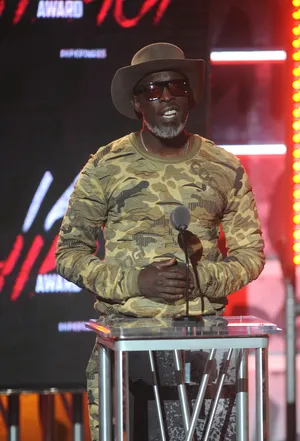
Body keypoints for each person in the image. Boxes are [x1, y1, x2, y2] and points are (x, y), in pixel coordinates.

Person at [55, 42, 265, 441]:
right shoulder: (105, 166)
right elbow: (69, 254)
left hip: (205, 351)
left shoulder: (224, 167)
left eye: (176, 87)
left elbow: (250, 256)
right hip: (126, 345)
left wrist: (202, 279)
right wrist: (137, 281)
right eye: (153, 90)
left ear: (190, 97)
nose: (166, 97)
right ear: (138, 103)